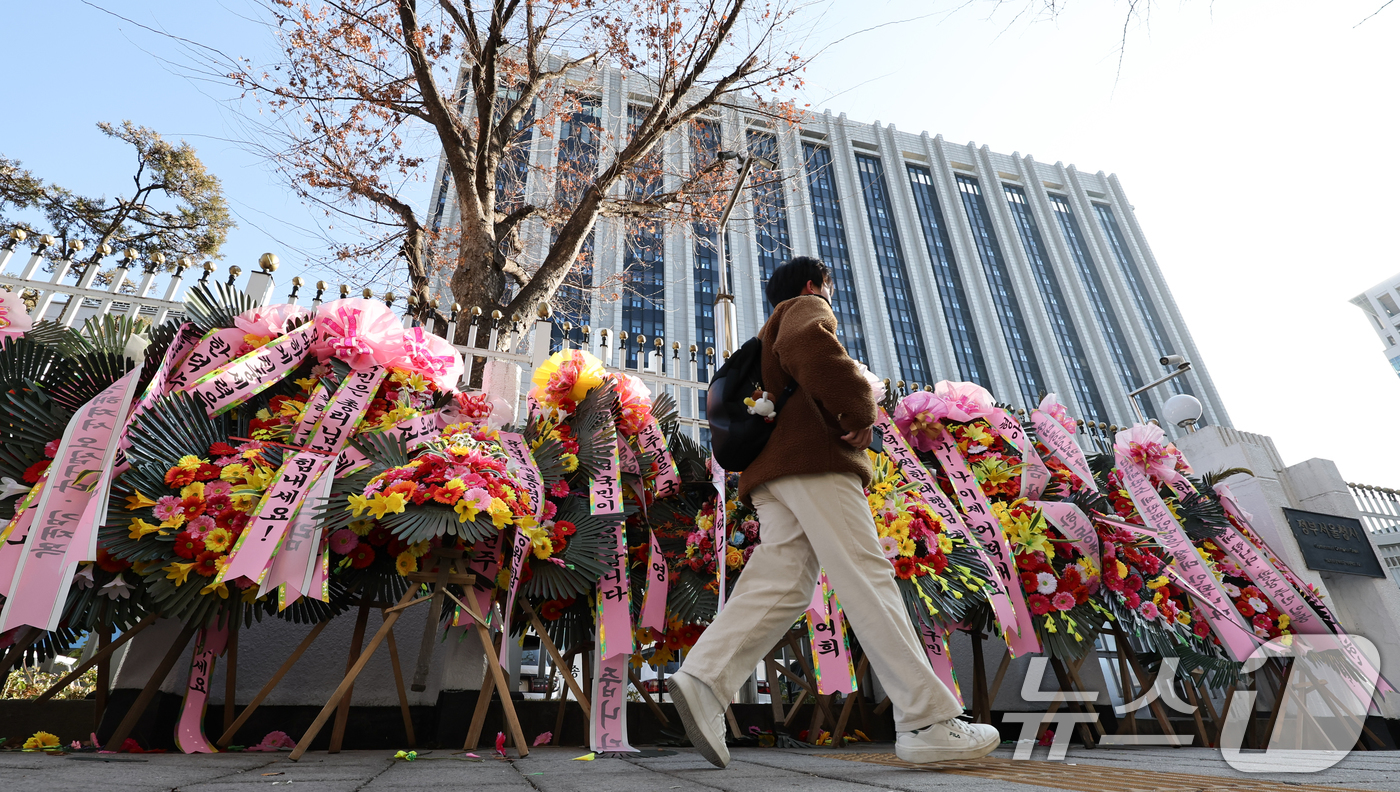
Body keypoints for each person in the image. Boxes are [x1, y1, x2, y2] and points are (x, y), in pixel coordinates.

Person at [668, 256, 1000, 767]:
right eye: (828, 286)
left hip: (773, 476)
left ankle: (704, 679)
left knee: (782, 584)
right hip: (816, 463)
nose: (829, 296)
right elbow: (812, 346)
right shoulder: (804, 307)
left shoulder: (764, 336)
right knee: (867, 574)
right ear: (811, 284)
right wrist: (859, 409)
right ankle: (927, 720)